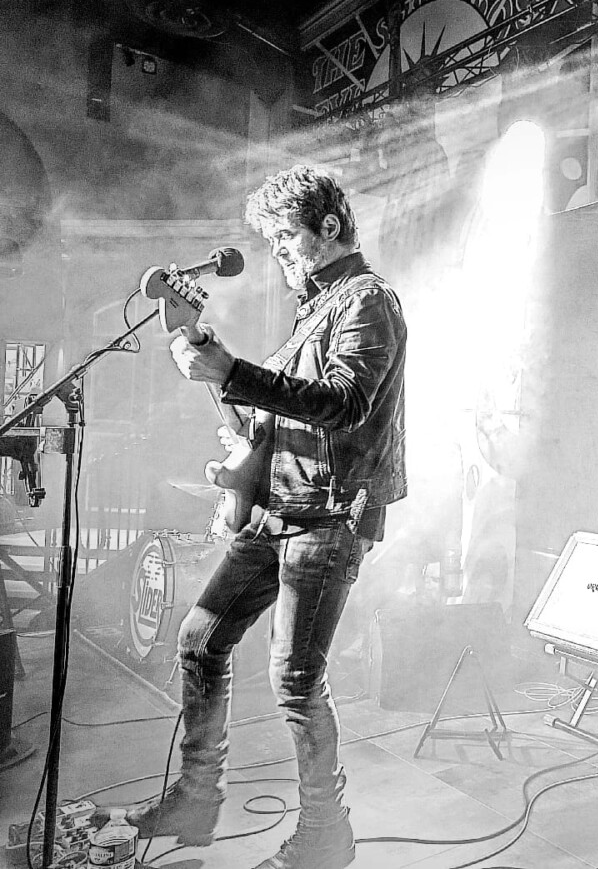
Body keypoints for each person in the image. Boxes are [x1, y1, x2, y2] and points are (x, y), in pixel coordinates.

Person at [104, 165, 407, 869]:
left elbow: (344, 403)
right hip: (276, 512)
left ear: (328, 226)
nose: (277, 253)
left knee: (296, 680)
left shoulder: (367, 300)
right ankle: (197, 799)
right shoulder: (314, 312)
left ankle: (326, 836)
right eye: (271, 240)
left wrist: (233, 373)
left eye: (286, 237)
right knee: (199, 639)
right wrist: (235, 414)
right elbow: (281, 416)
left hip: (328, 517)